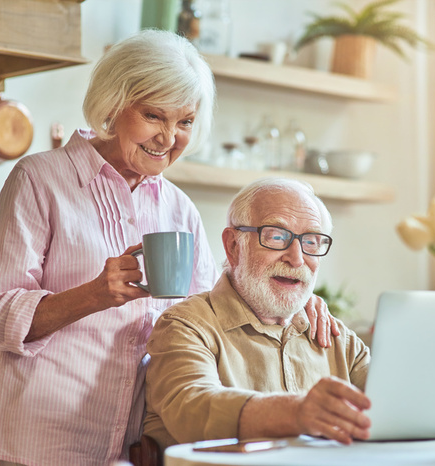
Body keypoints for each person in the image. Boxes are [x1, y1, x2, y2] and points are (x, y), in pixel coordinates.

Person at [0, 30, 335, 466]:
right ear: (113, 105)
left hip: (137, 449)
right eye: (154, 116)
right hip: (42, 441)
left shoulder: (180, 209)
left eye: (185, 122)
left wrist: (296, 300)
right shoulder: (40, 180)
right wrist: (94, 295)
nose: (169, 137)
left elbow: (211, 315)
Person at [143, 178, 371, 452]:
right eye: (276, 236)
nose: (296, 258)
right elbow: (193, 408)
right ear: (233, 246)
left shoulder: (336, 338)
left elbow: (398, 403)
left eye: (311, 241)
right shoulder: (185, 326)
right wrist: (295, 412)